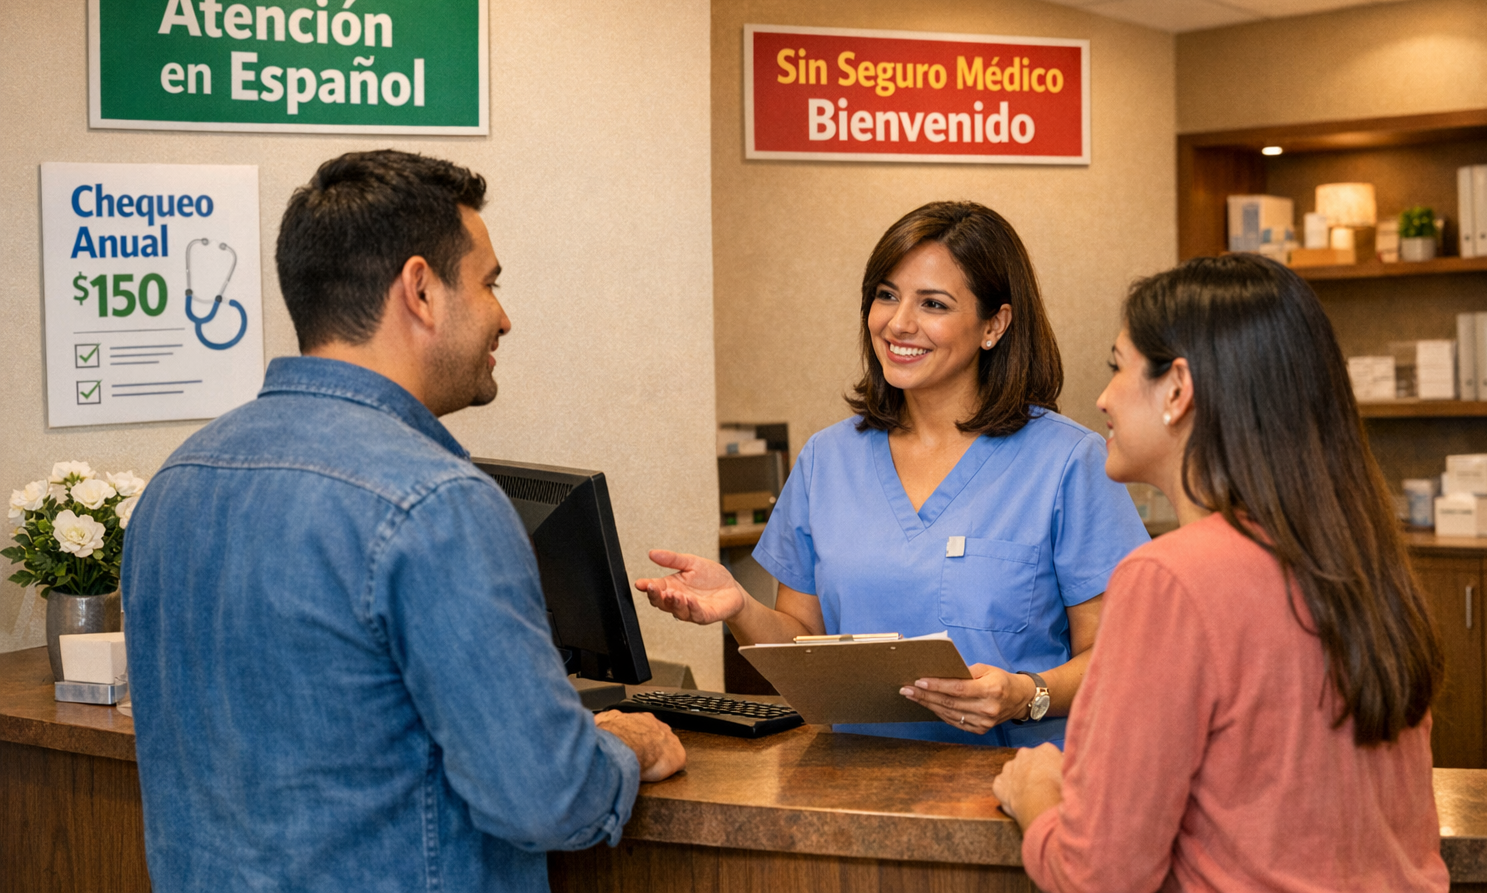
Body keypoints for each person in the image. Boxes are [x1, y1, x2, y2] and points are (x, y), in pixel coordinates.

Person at [123, 150, 684, 893]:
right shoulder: (435, 504)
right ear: (420, 289)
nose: (504, 317)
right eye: (489, 284)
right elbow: (549, 800)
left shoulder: (179, 478)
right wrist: (626, 746)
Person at [993, 253, 1448, 892]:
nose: (1102, 399)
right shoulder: (1361, 563)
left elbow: (1101, 876)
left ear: (1177, 389)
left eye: (1116, 368)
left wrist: (1036, 794)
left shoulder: (1170, 579)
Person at [637, 201, 1147, 747]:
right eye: (886, 295)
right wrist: (740, 607)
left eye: (933, 303)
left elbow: (1117, 656)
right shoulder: (826, 460)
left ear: (994, 324)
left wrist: (1024, 694)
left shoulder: (1069, 461)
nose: (898, 323)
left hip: (1015, 792)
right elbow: (804, 640)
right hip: (851, 787)